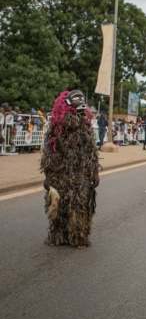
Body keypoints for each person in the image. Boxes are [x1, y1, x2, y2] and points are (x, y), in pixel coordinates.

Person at [40, 90, 100, 248]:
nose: (80, 100)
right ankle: (57, 235)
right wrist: (48, 176)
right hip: (60, 173)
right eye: (76, 98)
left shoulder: (85, 126)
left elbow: (91, 151)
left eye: (82, 98)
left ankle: (78, 237)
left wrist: (95, 172)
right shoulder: (57, 128)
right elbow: (50, 153)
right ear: (66, 102)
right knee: (57, 205)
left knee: (79, 206)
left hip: (80, 174)